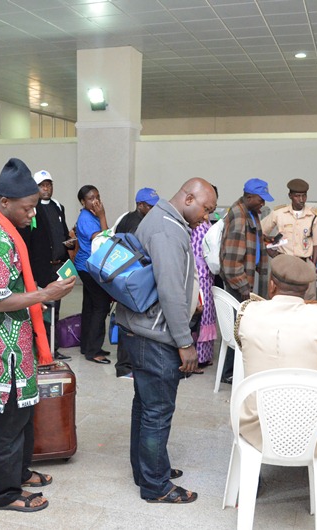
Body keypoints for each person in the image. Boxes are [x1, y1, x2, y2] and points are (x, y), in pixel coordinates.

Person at [0, 158, 76, 512]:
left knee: (23, 413)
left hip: (16, 341)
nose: (32, 215)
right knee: (8, 419)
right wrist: (44, 294)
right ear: (4, 202)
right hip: (2, 348)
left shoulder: (7, 229)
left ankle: (19, 471)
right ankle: (4, 493)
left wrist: (41, 292)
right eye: (27, 208)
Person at [235, 254, 317, 515]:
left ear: (272, 285)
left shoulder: (246, 312)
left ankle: (251, 475)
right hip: (309, 430)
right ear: (307, 291)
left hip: (255, 426)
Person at [117, 178, 217, 504]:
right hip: (156, 336)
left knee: (146, 406)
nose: (206, 217)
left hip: (144, 330)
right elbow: (171, 290)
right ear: (188, 198)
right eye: (206, 209)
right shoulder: (167, 230)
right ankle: (155, 485)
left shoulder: (161, 218)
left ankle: (148, 469)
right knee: (157, 412)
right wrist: (185, 343)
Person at [218, 178, 274, 385]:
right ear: (249, 197)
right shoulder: (239, 216)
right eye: (261, 199)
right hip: (239, 284)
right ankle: (230, 373)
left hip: (248, 278)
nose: (263, 203)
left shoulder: (251, 212)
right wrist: (243, 287)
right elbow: (231, 261)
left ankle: (237, 369)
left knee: (242, 328)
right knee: (238, 330)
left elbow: (252, 244)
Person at [17, 170, 74, 361]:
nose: (46, 188)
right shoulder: (31, 209)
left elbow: (63, 233)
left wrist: (68, 244)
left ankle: (52, 347)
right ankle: (38, 349)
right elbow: (28, 242)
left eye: (48, 184)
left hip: (58, 266)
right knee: (39, 309)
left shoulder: (58, 206)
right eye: (42, 185)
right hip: (40, 267)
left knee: (55, 308)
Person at [111, 187, 159, 378]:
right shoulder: (137, 224)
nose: (154, 209)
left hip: (123, 277)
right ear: (140, 205)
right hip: (132, 279)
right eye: (150, 206)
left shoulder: (126, 218)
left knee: (126, 321)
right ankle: (125, 366)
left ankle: (127, 365)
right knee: (130, 324)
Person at [261, 178, 317, 300]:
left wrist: (312, 266)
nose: (301, 200)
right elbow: (260, 232)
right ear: (290, 196)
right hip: (283, 262)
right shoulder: (279, 213)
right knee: (278, 297)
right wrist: (271, 251)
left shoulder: (313, 216)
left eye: (304, 196)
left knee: (307, 299)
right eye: (297, 196)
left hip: (304, 263)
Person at [74, 185, 112, 364]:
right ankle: (94, 351)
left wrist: (101, 216)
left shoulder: (92, 215)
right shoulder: (86, 218)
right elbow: (104, 240)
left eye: (97, 196)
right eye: (91, 198)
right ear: (83, 202)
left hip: (88, 266)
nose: (96, 201)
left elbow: (106, 233)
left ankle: (87, 346)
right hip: (89, 267)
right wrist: (103, 216)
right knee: (101, 306)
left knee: (90, 306)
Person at [189, 186, 217, 372]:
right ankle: (196, 358)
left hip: (207, 273)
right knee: (198, 313)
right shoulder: (196, 224)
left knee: (207, 313)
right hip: (199, 274)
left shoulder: (206, 222)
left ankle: (204, 356)